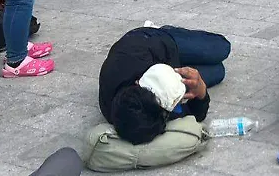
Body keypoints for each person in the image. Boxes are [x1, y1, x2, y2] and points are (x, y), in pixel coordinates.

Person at [98, 25, 231, 144]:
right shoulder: (140, 116)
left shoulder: (145, 73)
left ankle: (163, 29)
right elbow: (194, 115)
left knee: (222, 48)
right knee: (219, 72)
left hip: (154, 41)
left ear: (138, 82)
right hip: (165, 70)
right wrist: (201, 92)